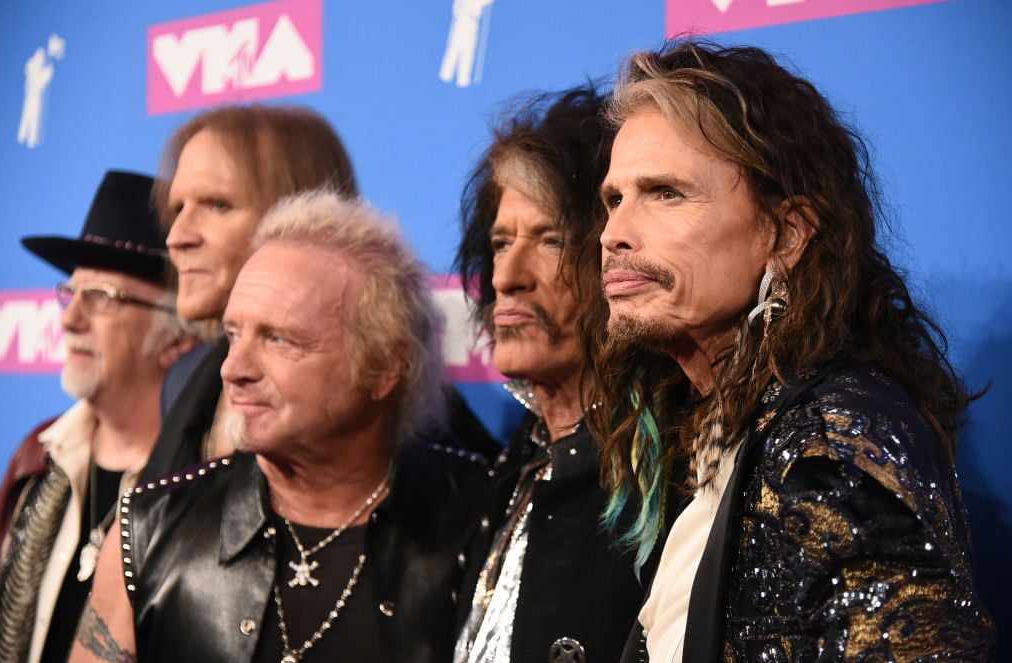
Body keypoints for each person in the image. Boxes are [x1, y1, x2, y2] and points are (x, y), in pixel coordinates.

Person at [589, 40, 995, 660]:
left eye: (665, 193)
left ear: (787, 234)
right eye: (614, 199)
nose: (615, 234)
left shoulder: (833, 446)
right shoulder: (717, 438)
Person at [70, 190, 491, 662]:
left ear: (384, 367)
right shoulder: (147, 533)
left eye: (278, 339)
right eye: (233, 334)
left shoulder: (484, 521)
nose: (234, 369)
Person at [144, 103, 495, 481]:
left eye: (218, 205)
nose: (177, 237)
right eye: (177, 208)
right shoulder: (184, 382)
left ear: (305, 215)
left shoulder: (431, 441)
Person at [452, 85, 664, 663]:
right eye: (499, 243)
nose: (507, 278)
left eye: (551, 240)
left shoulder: (669, 472)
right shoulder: (516, 466)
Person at [0, 170, 196, 662]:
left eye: (102, 297)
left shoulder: (199, 481)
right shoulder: (37, 455)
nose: (69, 318)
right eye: (71, 292)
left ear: (178, 336)